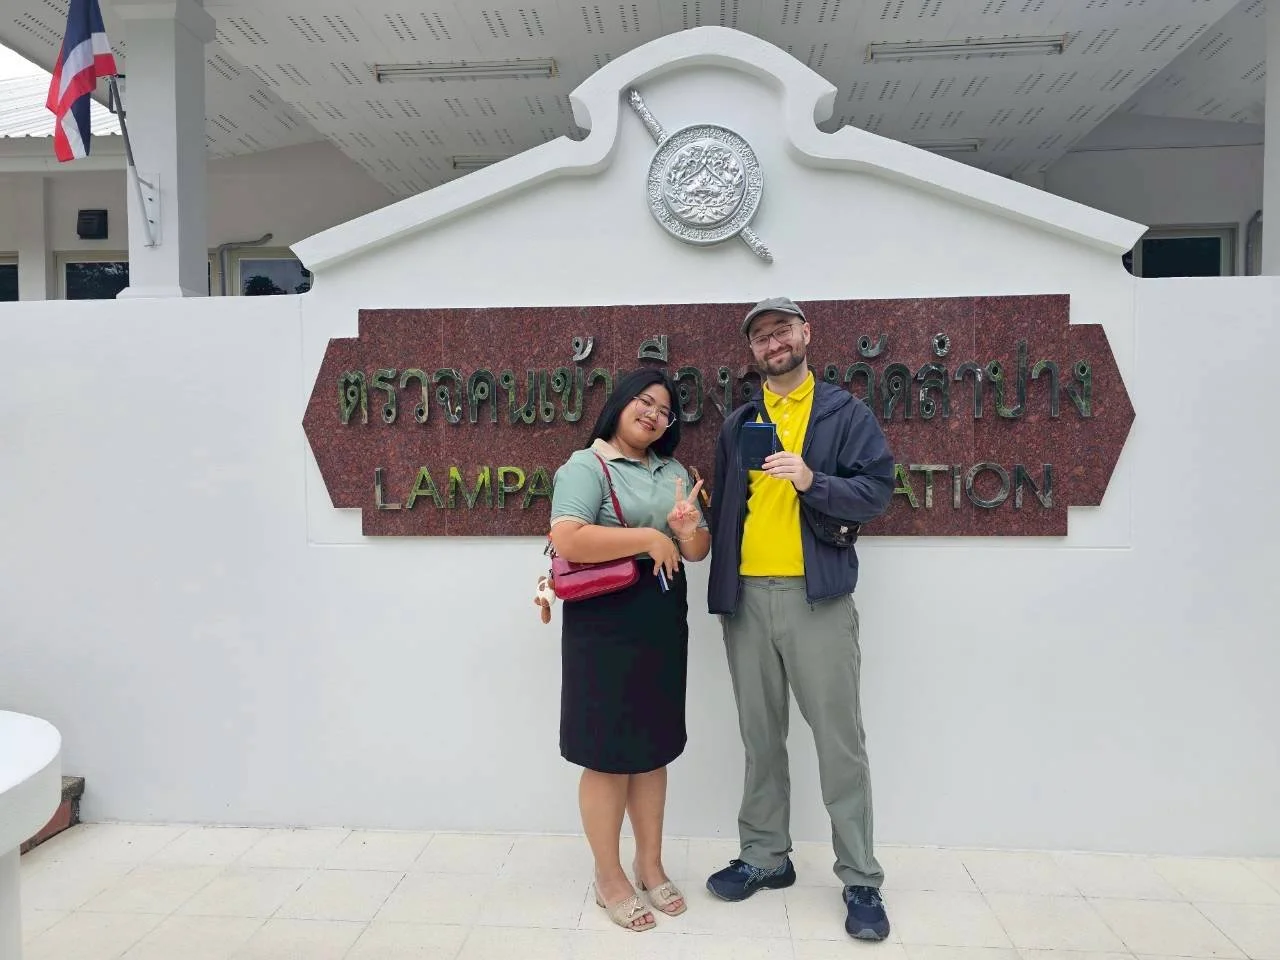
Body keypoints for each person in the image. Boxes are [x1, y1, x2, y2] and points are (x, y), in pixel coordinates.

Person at [705, 297, 896, 941]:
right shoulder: (739, 422)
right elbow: (726, 508)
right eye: (760, 337)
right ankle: (766, 856)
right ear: (752, 352)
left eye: (781, 330)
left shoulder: (845, 412)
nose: (772, 343)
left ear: (806, 334)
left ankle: (861, 876)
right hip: (748, 600)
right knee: (760, 738)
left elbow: (876, 492)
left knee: (839, 742)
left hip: (818, 599)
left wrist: (814, 479)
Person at [549, 367, 711, 932]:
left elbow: (694, 550)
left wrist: (687, 527)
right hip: (604, 621)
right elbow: (568, 536)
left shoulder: (674, 471)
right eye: (645, 402)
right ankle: (608, 874)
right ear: (620, 404)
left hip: (662, 617)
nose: (653, 414)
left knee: (652, 747)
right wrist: (648, 537)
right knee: (606, 750)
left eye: (665, 411)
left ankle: (650, 862)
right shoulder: (586, 465)